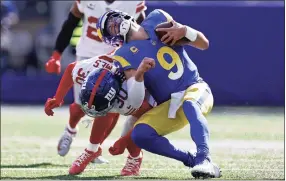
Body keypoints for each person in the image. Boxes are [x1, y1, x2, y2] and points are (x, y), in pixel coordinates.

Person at [95, 9, 221, 178]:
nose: (115, 25)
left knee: (190, 104)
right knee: (140, 134)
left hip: (195, 87)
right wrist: (139, 74)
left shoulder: (157, 18)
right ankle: (192, 160)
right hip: (170, 105)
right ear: (112, 38)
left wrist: (185, 31)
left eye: (113, 20)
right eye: (110, 28)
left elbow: (203, 44)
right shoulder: (121, 55)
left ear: (122, 15)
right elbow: (136, 97)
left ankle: (203, 158)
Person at [44, 0, 147, 164]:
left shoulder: (132, 2)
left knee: (112, 107)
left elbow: (143, 31)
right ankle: (70, 130)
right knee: (80, 106)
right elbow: (71, 22)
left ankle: (94, 149)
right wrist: (56, 54)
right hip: (88, 55)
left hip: (117, 59)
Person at [44, 54, 155, 175]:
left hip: (148, 83)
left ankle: (135, 157)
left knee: (128, 126)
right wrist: (58, 98)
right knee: (102, 108)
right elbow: (72, 69)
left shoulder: (132, 98)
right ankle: (91, 150)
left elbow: (149, 117)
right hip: (118, 64)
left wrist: (125, 140)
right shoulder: (90, 69)